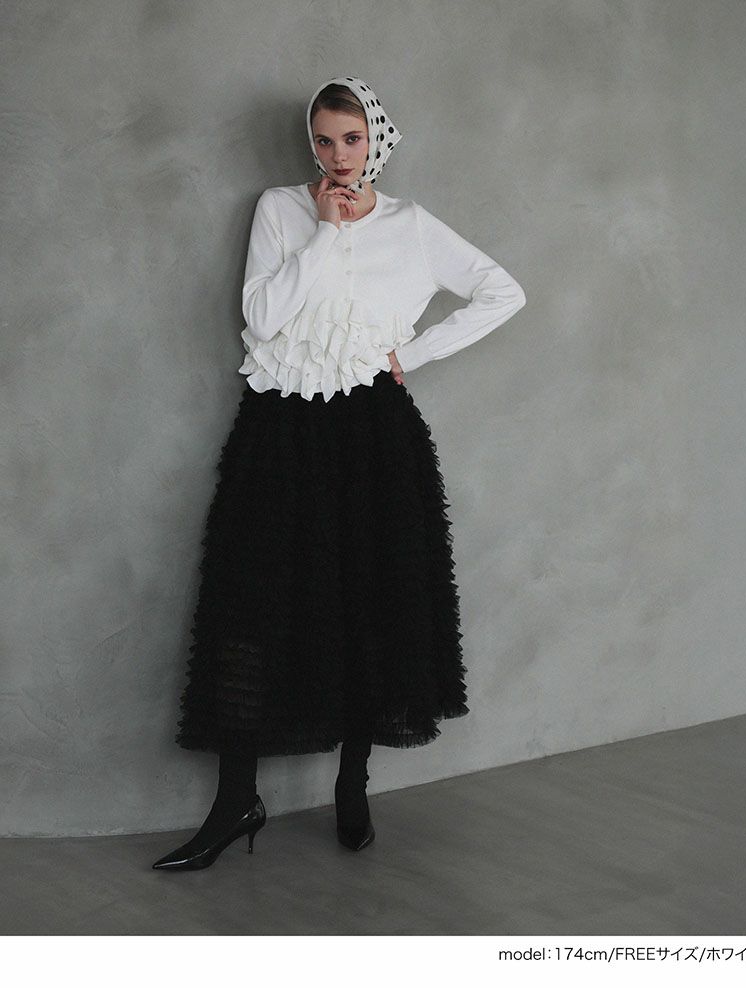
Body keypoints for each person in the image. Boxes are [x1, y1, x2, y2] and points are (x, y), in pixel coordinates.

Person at [152, 76, 526, 871]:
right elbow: (262, 317)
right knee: (250, 603)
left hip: (370, 430)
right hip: (279, 427)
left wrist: (414, 352)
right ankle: (235, 802)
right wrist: (325, 233)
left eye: (351, 139)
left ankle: (353, 785)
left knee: (367, 599)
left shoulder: (411, 225)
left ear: (375, 139)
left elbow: (503, 291)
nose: (337, 155)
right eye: (323, 139)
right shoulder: (280, 209)